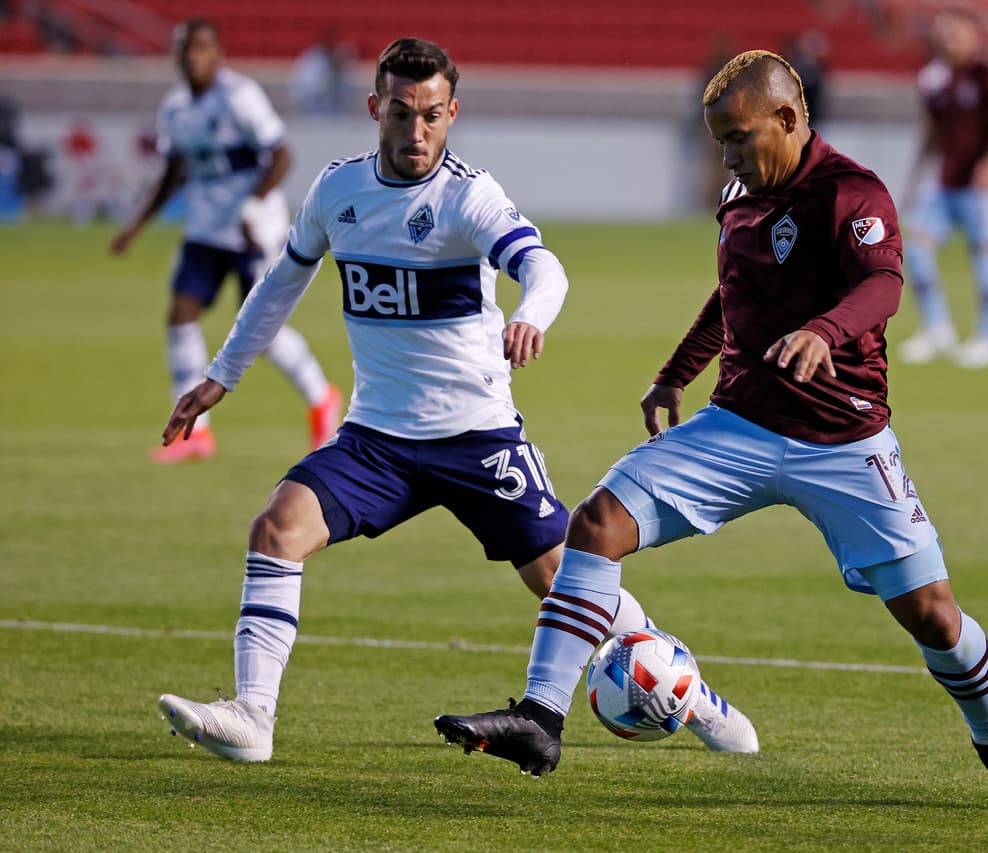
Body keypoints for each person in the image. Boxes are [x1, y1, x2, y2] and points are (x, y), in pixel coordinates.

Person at [435, 50, 988, 813]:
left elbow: (884, 283)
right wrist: (675, 371)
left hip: (845, 441)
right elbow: (731, 290)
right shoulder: (740, 195)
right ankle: (540, 715)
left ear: (790, 119)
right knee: (596, 523)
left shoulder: (851, 194)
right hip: (737, 426)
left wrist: (828, 330)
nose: (726, 155)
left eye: (737, 136)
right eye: (718, 140)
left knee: (933, 614)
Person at [154, 38, 757, 763]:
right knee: (277, 529)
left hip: (478, 439)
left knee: (563, 583)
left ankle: (691, 697)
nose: (417, 132)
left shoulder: (467, 195)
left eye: (433, 116)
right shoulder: (337, 192)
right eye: (402, 113)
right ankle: (252, 718)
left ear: (452, 114)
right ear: (376, 108)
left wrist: (532, 310)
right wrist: (223, 373)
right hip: (376, 438)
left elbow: (544, 265)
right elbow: (283, 280)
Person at [110, 18, 341, 462]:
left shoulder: (240, 98)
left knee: (260, 331)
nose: (191, 57)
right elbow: (173, 172)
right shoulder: (175, 109)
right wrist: (136, 227)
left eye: (200, 48)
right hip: (205, 230)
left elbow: (282, 155)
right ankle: (195, 433)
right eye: (184, 49)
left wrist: (252, 206)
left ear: (217, 54)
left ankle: (321, 397)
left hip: (253, 229)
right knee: (181, 314)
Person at [897, 7, 988, 369]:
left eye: (955, 32)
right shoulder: (932, 78)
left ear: (973, 36)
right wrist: (916, 179)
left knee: (984, 255)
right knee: (916, 251)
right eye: (943, 32)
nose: (948, 39)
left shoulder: (987, 76)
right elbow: (931, 132)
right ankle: (937, 329)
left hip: (978, 187)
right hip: (944, 183)